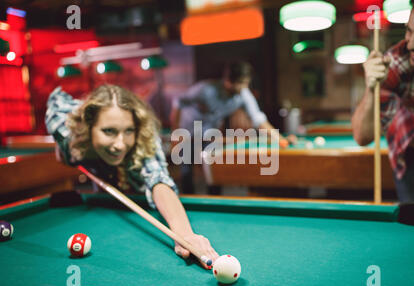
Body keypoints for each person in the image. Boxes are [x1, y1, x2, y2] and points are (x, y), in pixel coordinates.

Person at [45, 85, 219, 268]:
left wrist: (185, 235)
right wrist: (65, 148)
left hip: (133, 183)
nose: (120, 144)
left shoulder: (145, 139)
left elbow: (158, 180)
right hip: (100, 186)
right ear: (88, 126)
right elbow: (55, 99)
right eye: (109, 131)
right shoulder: (65, 130)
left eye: (128, 131)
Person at [352, 0, 414, 204]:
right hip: (410, 155)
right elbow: (362, 136)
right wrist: (371, 88)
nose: (411, 43)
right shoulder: (397, 62)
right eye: (409, 31)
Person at [171, 61, 296, 194]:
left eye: (246, 83)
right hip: (189, 129)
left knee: (213, 167)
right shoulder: (205, 90)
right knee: (187, 171)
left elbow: (258, 119)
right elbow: (178, 103)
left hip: (209, 132)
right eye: (241, 82)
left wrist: (281, 139)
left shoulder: (243, 94)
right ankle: (189, 205)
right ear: (228, 81)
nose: (244, 87)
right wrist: (176, 133)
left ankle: (215, 203)